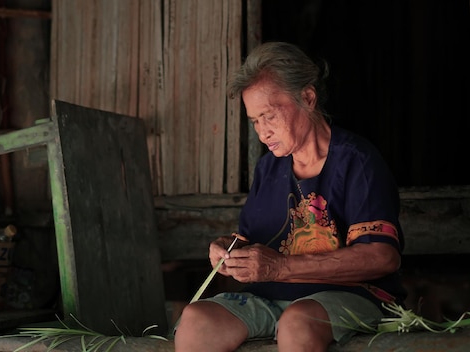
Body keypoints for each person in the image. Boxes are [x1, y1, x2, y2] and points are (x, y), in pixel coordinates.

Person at [174, 41, 406, 352]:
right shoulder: (269, 167)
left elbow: (382, 257)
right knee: (196, 318)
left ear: (307, 98)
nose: (262, 132)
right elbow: (251, 240)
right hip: (271, 299)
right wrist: (229, 253)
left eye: (269, 115)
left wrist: (279, 268)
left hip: (351, 297)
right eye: (255, 121)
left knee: (297, 322)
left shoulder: (357, 161)